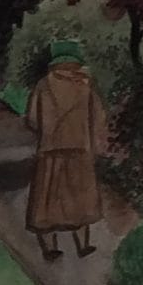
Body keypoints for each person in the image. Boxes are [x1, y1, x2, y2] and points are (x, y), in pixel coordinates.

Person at [26, 39, 108, 262]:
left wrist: (47, 131)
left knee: (46, 199)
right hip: (80, 148)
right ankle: (83, 244)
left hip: (50, 149)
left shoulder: (43, 85)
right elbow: (98, 118)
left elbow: (32, 118)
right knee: (80, 198)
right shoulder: (85, 86)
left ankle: (50, 249)